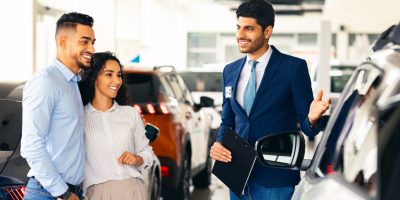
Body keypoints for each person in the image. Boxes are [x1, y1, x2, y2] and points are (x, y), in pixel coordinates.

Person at [209, 0, 330, 199]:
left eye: (249, 29)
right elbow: (228, 121)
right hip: (236, 175)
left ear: (267, 31)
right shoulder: (230, 71)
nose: (240, 35)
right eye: (238, 27)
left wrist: (313, 117)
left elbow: (308, 129)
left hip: (275, 179)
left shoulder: (292, 68)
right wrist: (219, 143)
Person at [21, 12, 95, 200]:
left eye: (93, 42)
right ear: (63, 42)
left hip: (70, 192)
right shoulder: (46, 82)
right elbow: (31, 145)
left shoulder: (72, 83)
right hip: (50, 194)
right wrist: (63, 193)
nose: (92, 49)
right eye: (84, 42)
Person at [78, 52, 153, 199]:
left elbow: (147, 151)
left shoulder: (130, 114)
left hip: (134, 191)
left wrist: (138, 158)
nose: (116, 81)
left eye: (118, 75)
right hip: (98, 194)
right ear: (94, 78)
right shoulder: (80, 118)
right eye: (109, 74)